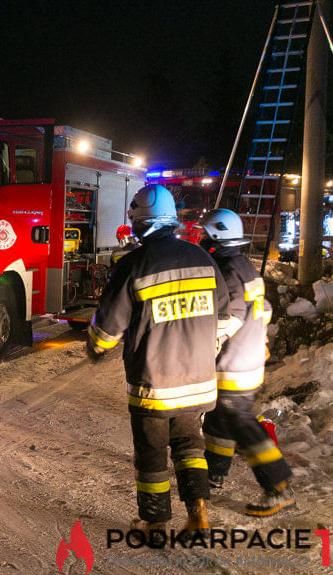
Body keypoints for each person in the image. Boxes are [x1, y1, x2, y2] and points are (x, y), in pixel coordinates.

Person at [87, 184, 230, 539]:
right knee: (189, 447)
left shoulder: (134, 264)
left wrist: (95, 346)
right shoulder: (203, 258)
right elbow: (224, 320)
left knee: (151, 456)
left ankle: (155, 525)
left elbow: (108, 329)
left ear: (141, 221)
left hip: (155, 386)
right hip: (198, 381)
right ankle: (198, 514)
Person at [197, 209, 295, 516]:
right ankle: (215, 474)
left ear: (215, 239)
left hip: (233, 362)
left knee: (241, 422)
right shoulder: (245, 266)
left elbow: (229, 318)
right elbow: (263, 309)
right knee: (217, 419)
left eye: (205, 235)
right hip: (247, 356)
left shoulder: (224, 271)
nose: (200, 240)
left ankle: (278, 487)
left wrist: (202, 346)